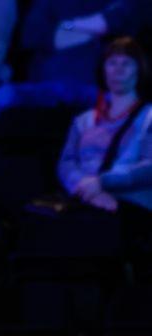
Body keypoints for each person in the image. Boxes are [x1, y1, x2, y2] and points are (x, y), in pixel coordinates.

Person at [58, 37, 152, 215]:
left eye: (126, 64)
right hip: (85, 201)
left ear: (139, 69)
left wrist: (102, 183)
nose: (118, 70)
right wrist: (87, 189)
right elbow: (66, 163)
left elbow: (150, 167)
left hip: (131, 207)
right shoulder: (83, 120)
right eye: (112, 63)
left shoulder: (149, 116)